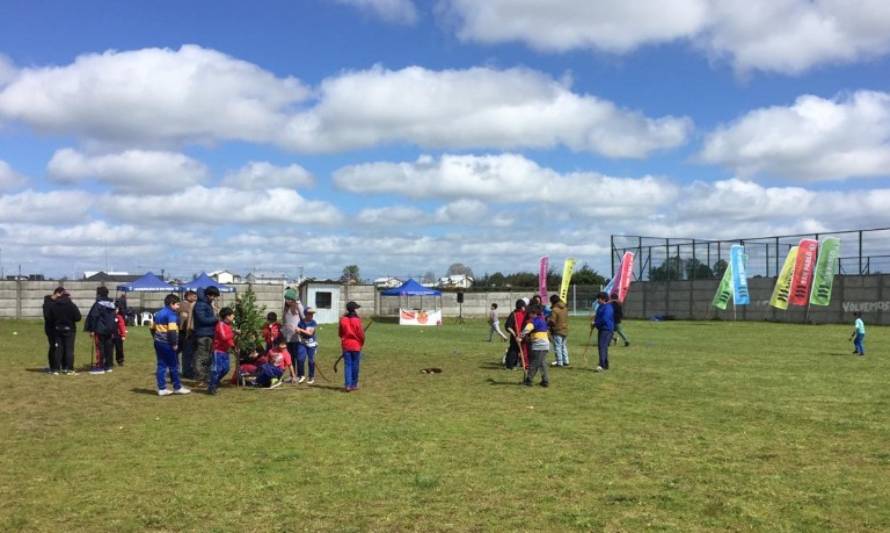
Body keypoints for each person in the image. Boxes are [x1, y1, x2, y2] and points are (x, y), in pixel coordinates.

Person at [153, 293, 190, 396]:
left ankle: (161, 388)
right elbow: (173, 331)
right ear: (171, 304)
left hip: (158, 342)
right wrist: (174, 343)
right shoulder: (171, 315)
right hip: (168, 344)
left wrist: (156, 338)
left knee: (161, 365)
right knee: (174, 365)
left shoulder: (158, 313)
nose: (178, 307)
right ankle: (177, 387)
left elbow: (152, 328)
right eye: (177, 305)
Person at [46, 288, 81, 375]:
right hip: (69, 330)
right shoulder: (71, 305)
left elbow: (50, 318)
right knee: (69, 349)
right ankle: (68, 368)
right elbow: (78, 317)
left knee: (58, 349)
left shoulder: (54, 305)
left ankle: (56, 369)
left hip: (57, 330)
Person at [84, 286, 117, 374]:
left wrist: (92, 329)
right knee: (108, 348)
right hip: (110, 329)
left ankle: (100, 367)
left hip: (100, 329)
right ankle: (108, 366)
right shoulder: (112, 304)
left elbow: (93, 317)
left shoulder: (98, 304)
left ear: (98, 293)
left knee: (100, 348)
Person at [192, 286, 220, 382]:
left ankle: (205, 376)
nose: (214, 299)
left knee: (207, 357)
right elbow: (202, 319)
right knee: (201, 357)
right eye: (214, 296)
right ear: (209, 295)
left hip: (209, 333)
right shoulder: (201, 305)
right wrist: (216, 319)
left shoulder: (206, 304)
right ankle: (200, 378)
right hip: (203, 334)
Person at [339, 301, 365, 392]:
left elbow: (340, 333)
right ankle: (354, 384)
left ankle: (348, 385)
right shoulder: (357, 320)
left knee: (348, 366)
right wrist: (361, 343)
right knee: (355, 365)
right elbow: (361, 334)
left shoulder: (342, 319)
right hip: (356, 345)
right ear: (354, 309)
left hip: (346, 344)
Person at [521, 304, 550, 387]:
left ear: (533, 313)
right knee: (542, 363)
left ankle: (529, 380)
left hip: (539, 345)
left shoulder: (535, 321)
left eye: (529, 313)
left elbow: (527, 328)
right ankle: (545, 381)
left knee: (534, 363)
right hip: (544, 345)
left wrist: (520, 336)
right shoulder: (542, 320)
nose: (528, 315)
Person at [209, 307, 235, 394]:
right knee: (216, 369)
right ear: (227, 316)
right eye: (232, 315)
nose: (233, 316)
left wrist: (233, 346)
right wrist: (233, 333)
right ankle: (212, 386)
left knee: (226, 368)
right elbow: (224, 337)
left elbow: (229, 339)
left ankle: (215, 381)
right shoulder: (220, 325)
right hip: (218, 350)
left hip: (225, 351)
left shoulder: (229, 326)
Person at [282, 289, 305, 375]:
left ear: (292, 299)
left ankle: (300, 375)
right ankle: (293, 375)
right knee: (290, 357)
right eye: (286, 299)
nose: (287, 301)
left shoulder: (298, 306)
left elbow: (304, 319)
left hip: (296, 336)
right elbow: (285, 321)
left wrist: (300, 329)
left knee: (298, 357)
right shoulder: (285, 307)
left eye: (288, 299)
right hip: (288, 336)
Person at [178, 290, 198, 378]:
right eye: (194, 296)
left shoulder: (188, 304)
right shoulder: (184, 305)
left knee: (188, 353)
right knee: (187, 353)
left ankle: (187, 370)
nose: (195, 298)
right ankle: (187, 372)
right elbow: (184, 318)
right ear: (188, 296)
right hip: (183, 332)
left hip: (185, 331)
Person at [296, 307, 319, 384]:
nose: (311, 315)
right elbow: (298, 332)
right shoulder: (301, 322)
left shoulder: (313, 323)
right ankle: (301, 375)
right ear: (305, 314)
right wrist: (297, 331)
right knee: (300, 359)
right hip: (302, 343)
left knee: (311, 361)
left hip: (311, 344)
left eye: (312, 314)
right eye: (310, 314)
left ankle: (311, 377)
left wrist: (300, 330)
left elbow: (310, 333)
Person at [42, 287, 63, 372]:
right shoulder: (48, 303)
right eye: (61, 295)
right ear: (57, 293)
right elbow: (48, 316)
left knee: (56, 347)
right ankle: (53, 366)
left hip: (56, 328)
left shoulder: (55, 302)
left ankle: (56, 365)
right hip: (50, 328)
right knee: (53, 347)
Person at [503, 299, 528, 370]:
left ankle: (522, 364)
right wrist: (515, 335)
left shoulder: (525, 313)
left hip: (523, 335)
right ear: (521, 306)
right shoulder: (513, 314)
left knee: (523, 350)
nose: (524, 307)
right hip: (515, 336)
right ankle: (510, 365)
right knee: (513, 350)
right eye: (523, 306)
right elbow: (508, 326)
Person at [593, 292, 614, 372]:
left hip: (606, 329)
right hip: (602, 328)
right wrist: (594, 323)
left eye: (599, 299)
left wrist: (596, 323)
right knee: (602, 347)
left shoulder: (608, 307)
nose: (597, 300)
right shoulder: (601, 307)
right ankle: (605, 364)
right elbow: (598, 316)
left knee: (602, 346)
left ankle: (602, 364)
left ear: (603, 299)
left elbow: (605, 318)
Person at [548, 294, 569, 367]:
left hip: (557, 330)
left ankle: (559, 362)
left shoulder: (555, 310)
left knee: (557, 346)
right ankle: (566, 361)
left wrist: (548, 321)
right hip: (565, 329)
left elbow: (552, 321)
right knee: (564, 346)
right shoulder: (565, 308)